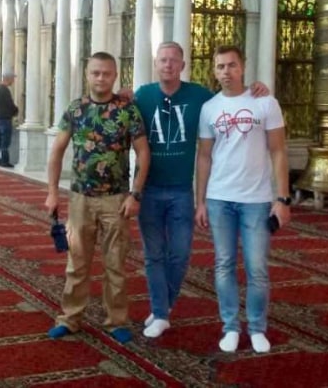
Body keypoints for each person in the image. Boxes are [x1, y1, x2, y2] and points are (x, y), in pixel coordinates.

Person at [132, 41, 269, 338]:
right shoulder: (142, 95)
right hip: (149, 189)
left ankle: (161, 307)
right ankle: (160, 312)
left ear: (183, 65)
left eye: (174, 60)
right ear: (156, 64)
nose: (168, 65)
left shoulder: (201, 98)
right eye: (163, 60)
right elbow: (119, 111)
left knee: (180, 255)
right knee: (153, 255)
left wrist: (256, 87)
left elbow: (231, 98)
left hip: (182, 190)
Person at [44, 51, 151, 344]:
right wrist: (53, 191)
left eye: (106, 73)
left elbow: (143, 153)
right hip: (80, 199)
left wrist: (136, 194)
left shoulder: (127, 110)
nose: (101, 78)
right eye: (95, 73)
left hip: (116, 200)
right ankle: (69, 318)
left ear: (115, 76)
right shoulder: (76, 109)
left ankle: (116, 320)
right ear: (87, 75)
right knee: (76, 262)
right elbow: (57, 151)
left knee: (115, 263)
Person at [195, 45, 291, 354]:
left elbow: (278, 151)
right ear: (214, 70)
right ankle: (231, 327)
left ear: (243, 67)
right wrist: (200, 201)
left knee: (257, 267)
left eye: (231, 65)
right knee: (223, 264)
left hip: (256, 200)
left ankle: (257, 327)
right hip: (220, 198)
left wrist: (282, 198)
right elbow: (205, 157)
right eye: (220, 66)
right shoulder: (209, 108)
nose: (225, 71)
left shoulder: (265, 103)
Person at [0, 72, 19, 168]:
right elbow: (10, 105)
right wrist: (16, 110)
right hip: (5, 119)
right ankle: (4, 161)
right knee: (5, 141)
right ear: (8, 79)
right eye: (12, 79)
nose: (13, 81)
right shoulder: (4, 90)